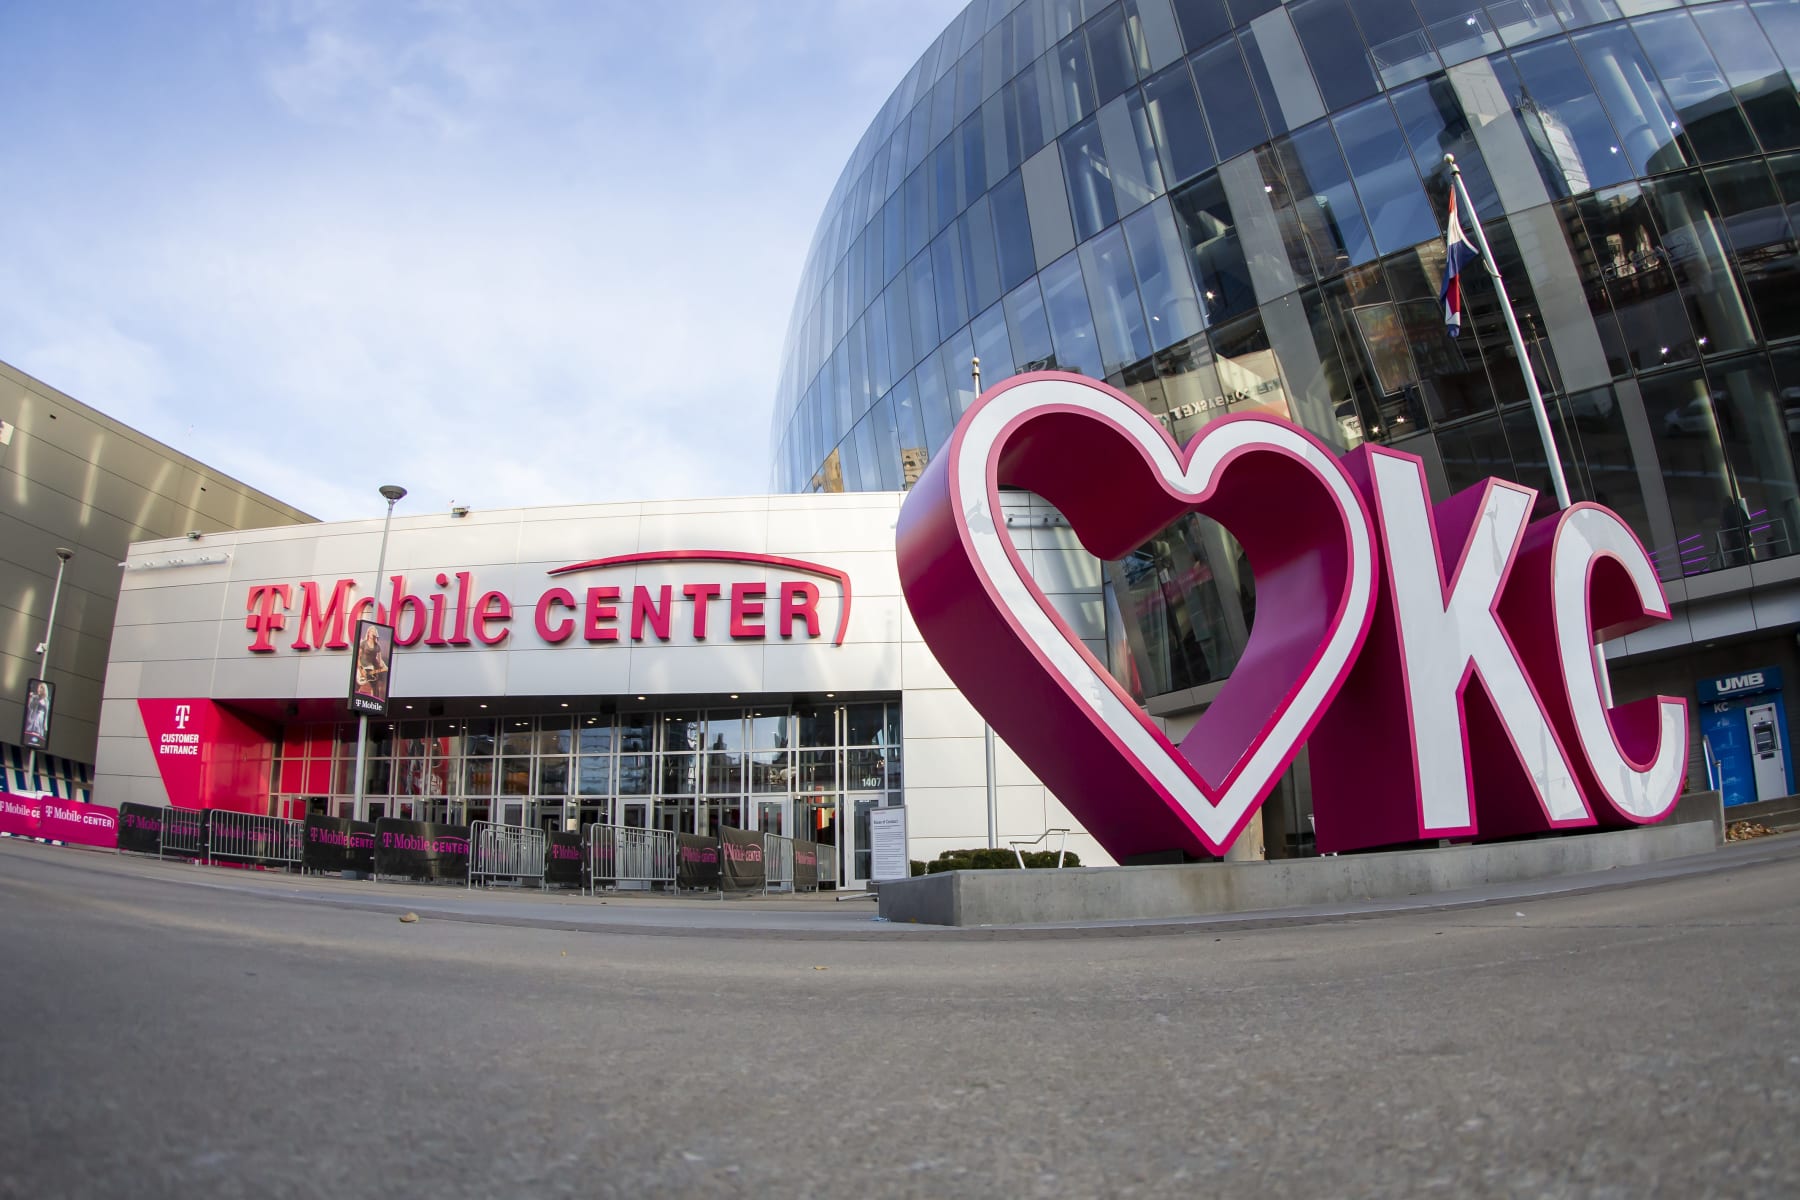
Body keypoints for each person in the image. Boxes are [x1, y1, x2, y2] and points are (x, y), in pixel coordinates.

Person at [354, 627, 390, 699]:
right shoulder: (363, 643)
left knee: (374, 687)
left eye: (374, 632)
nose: (372, 633)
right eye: (371, 631)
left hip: (371, 669)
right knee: (357, 686)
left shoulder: (377, 646)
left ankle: (375, 700)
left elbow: (380, 661)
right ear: (368, 633)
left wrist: (383, 667)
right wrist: (361, 669)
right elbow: (358, 657)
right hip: (362, 668)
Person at [22, 680, 50, 746]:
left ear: (44, 690)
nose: (39, 689)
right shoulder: (36, 697)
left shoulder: (46, 701)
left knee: (39, 734)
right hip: (35, 717)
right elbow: (30, 707)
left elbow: (47, 713)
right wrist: (31, 698)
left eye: (41, 688)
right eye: (39, 688)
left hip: (41, 718)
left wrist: (45, 724)